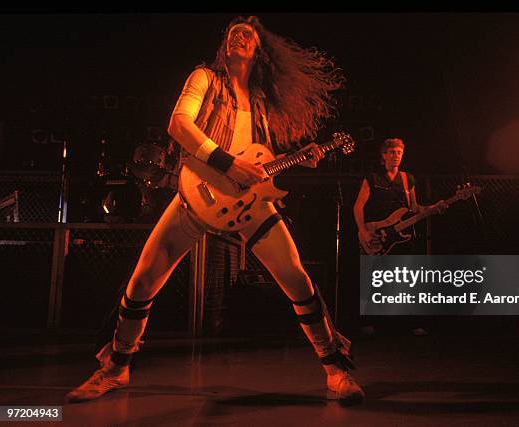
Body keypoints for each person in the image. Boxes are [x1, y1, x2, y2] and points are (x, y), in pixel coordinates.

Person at [67, 15, 364, 405]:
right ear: (224, 46)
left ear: (259, 50)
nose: (239, 36)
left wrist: (297, 159)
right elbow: (179, 124)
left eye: (247, 35)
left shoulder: (261, 101)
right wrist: (226, 163)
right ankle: (116, 368)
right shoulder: (205, 78)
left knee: (298, 280)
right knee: (141, 284)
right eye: (232, 33)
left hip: (249, 204)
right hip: (199, 192)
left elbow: (260, 161)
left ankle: (336, 371)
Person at [353, 138, 446, 335]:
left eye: (399, 152)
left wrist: (432, 208)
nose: (396, 156)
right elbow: (358, 205)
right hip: (378, 234)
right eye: (392, 152)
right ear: (384, 155)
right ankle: (371, 323)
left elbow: (414, 208)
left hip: (403, 235)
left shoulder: (407, 179)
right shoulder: (372, 178)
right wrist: (363, 230)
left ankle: (412, 324)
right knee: (376, 280)